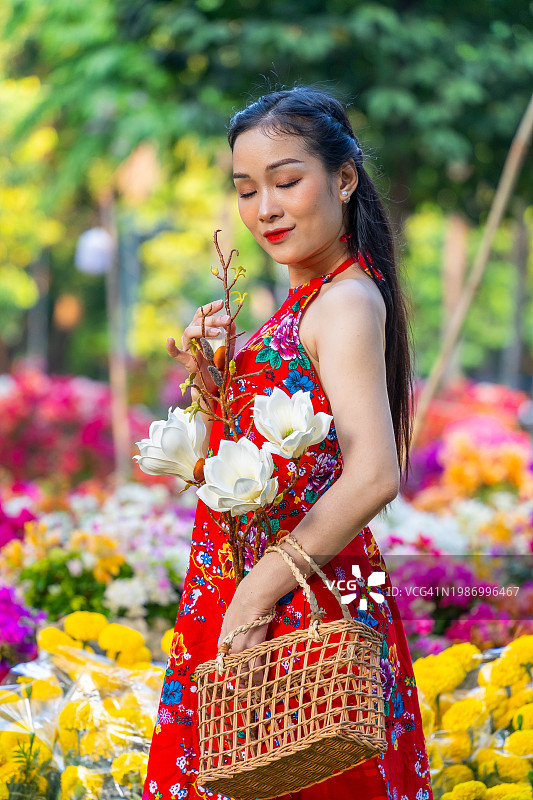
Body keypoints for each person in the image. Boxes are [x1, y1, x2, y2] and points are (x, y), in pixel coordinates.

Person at [142, 86, 433, 800]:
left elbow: (372, 475)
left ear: (342, 178)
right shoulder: (301, 303)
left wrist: (256, 592)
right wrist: (213, 381)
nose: (264, 208)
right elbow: (236, 468)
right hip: (254, 588)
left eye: (286, 181)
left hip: (297, 603)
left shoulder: (343, 301)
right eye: (246, 189)